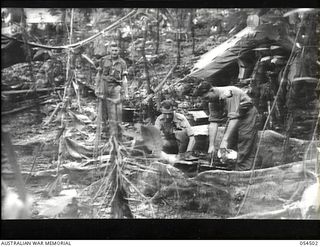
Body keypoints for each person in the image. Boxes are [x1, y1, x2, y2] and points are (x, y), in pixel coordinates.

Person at [197, 83, 260, 171]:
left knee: (245, 141)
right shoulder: (212, 101)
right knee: (229, 145)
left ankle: (244, 170)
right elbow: (213, 122)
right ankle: (231, 167)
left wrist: (224, 141)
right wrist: (211, 146)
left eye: (207, 98)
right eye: (204, 99)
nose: (207, 101)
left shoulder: (229, 93)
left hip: (247, 115)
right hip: (233, 117)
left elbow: (234, 118)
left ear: (212, 90)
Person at [95, 42, 129, 139]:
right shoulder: (103, 60)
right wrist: (97, 88)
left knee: (117, 111)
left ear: (119, 51)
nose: (114, 52)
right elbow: (99, 74)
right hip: (104, 85)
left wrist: (126, 93)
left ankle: (118, 133)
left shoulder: (122, 63)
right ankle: (105, 132)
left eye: (116, 50)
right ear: (109, 50)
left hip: (116, 87)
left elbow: (124, 79)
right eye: (112, 50)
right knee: (103, 110)